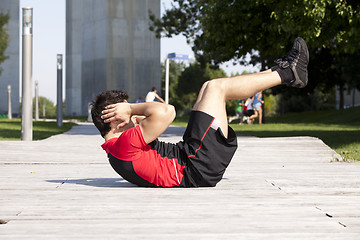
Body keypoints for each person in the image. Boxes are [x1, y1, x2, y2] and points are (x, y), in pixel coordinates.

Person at [91, 37, 309, 188]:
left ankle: (284, 72)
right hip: (198, 165)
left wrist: (132, 114)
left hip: (193, 158)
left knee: (208, 86)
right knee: (216, 88)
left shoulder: (117, 150)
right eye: (128, 115)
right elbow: (167, 111)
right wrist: (129, 108)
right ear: (116, 121)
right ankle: (287, 73)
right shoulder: (123, 145)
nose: (134, 117)